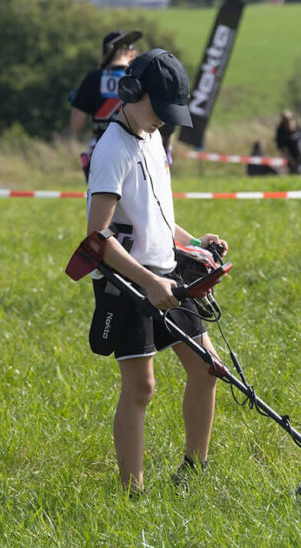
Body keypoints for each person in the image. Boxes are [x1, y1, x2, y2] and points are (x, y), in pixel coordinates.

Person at [85, 49, 228, 494]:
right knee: (141, 387)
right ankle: (133, 493)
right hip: (128, 283)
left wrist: (194, 244)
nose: (164, 121)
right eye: (159, 110)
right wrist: (148, 283)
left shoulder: (153, 141)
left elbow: (158, 218)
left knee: (206, 369)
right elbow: (97, 238)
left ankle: (194, 472)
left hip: (167, 275)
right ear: (132, 92)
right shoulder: (112, 149)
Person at [68, 30, 143, 180]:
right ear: (132, 53)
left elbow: (76, 124)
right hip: (136, 151)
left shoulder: (93, 78)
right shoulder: (137, 77)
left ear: (104, 53)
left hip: (101, 151)